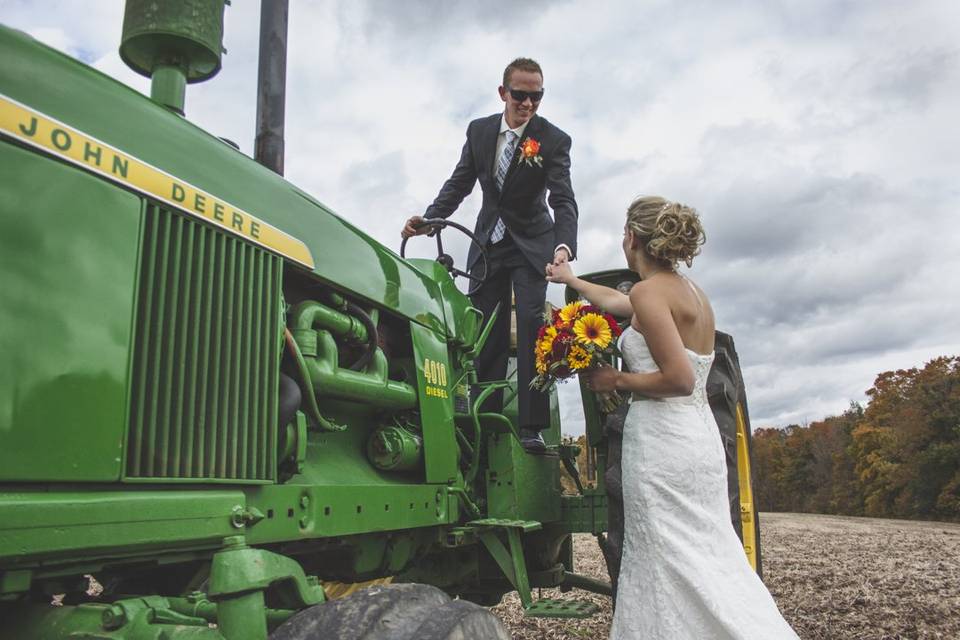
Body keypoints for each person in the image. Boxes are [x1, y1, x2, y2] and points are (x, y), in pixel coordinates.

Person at [546, 196, 797, 639]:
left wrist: (615, 382)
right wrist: (571, 280)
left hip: (662, 443)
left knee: (666, 560)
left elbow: (678, 379)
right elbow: (616, 301)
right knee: (709, 557)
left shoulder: (647, 293)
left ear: (632, 239)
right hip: (696, 441)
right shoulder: (690, 293)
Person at [402, 58, 578, 454]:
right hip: (487, 243)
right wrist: (431, 219)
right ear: (504, 93)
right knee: (484, 331)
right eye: (521, 95)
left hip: (533, 243)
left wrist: (563, 247)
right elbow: (460, 182)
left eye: (536, 96)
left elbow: (563, 199)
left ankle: (531, 427)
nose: (528, 104)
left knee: (533, 324)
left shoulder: (552, 140)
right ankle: (485, 419)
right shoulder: (479, 131)